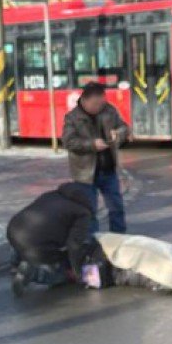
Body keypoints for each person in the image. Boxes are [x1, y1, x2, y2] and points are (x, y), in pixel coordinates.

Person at [6, 182, 95, 297]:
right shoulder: (82, 213)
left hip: (13, 229)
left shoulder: (51, 195)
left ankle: (16, 263)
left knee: (26, 238)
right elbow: (74, 245)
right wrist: (77, 272)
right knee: (60, 273)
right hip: (34, 244)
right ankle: (34, 273)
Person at [62, 82, 129, 234]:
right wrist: (91, 145)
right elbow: (68, 141)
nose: (99, 107)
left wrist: (119, 133)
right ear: (84, 101)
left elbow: (124, 127)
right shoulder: (72, 117)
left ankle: (119, 239)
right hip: (85, 174)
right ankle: (92, 243)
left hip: (109, 170)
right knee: (89, 212)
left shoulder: (109, 110)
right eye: (95, 104)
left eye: (102, 102)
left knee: (116, 207)